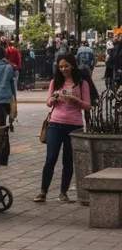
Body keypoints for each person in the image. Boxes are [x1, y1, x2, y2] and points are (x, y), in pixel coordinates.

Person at [37, 53, 91, 204]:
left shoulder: (82, 83)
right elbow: (48, 101)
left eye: (66, 66)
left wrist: (76, 100)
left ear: (72, 65)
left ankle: (63, 192)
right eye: (61, 66)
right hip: (56, 123)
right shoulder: (55, 82)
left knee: (68, 160)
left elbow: (88, 105)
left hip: (74, 125)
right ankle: (43, 191)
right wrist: (52, 100)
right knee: (50, 158)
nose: (63, 69)